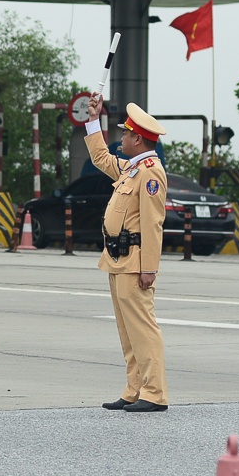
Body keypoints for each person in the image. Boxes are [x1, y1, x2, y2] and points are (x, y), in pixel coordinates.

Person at [84, 94, 170, 412]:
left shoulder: (149, 172)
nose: (121, 138)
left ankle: (154, 392)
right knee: (127, 329)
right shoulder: (131, 169)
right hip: (118, 258)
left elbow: (153, 224)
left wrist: (150, 267)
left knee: (142, 327)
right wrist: (93, 120)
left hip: (135, 262)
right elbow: (101, 159)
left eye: (124, 133)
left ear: (136, 137)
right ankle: (135, 387)